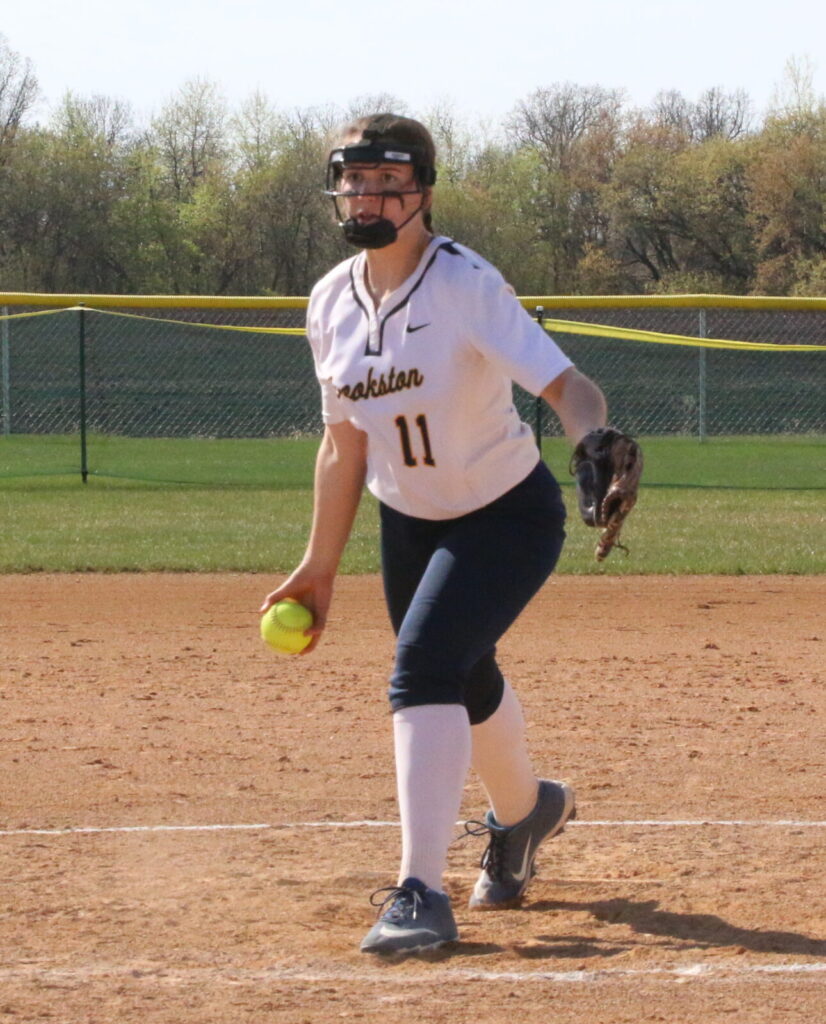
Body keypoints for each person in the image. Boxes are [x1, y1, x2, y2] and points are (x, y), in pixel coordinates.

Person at [261, 112, 608, 956]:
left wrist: (595, 441)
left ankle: (421, 891)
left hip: (505, 513)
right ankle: (526, 814)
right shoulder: (329, 300)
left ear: (422, 191)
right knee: (463, 674)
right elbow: (343, 444)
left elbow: (569, 388)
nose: (368, 196)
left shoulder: (463, 283)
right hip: (409, 523)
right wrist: (317, 567)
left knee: (422, 667)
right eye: (355, 179)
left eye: (389, 180)